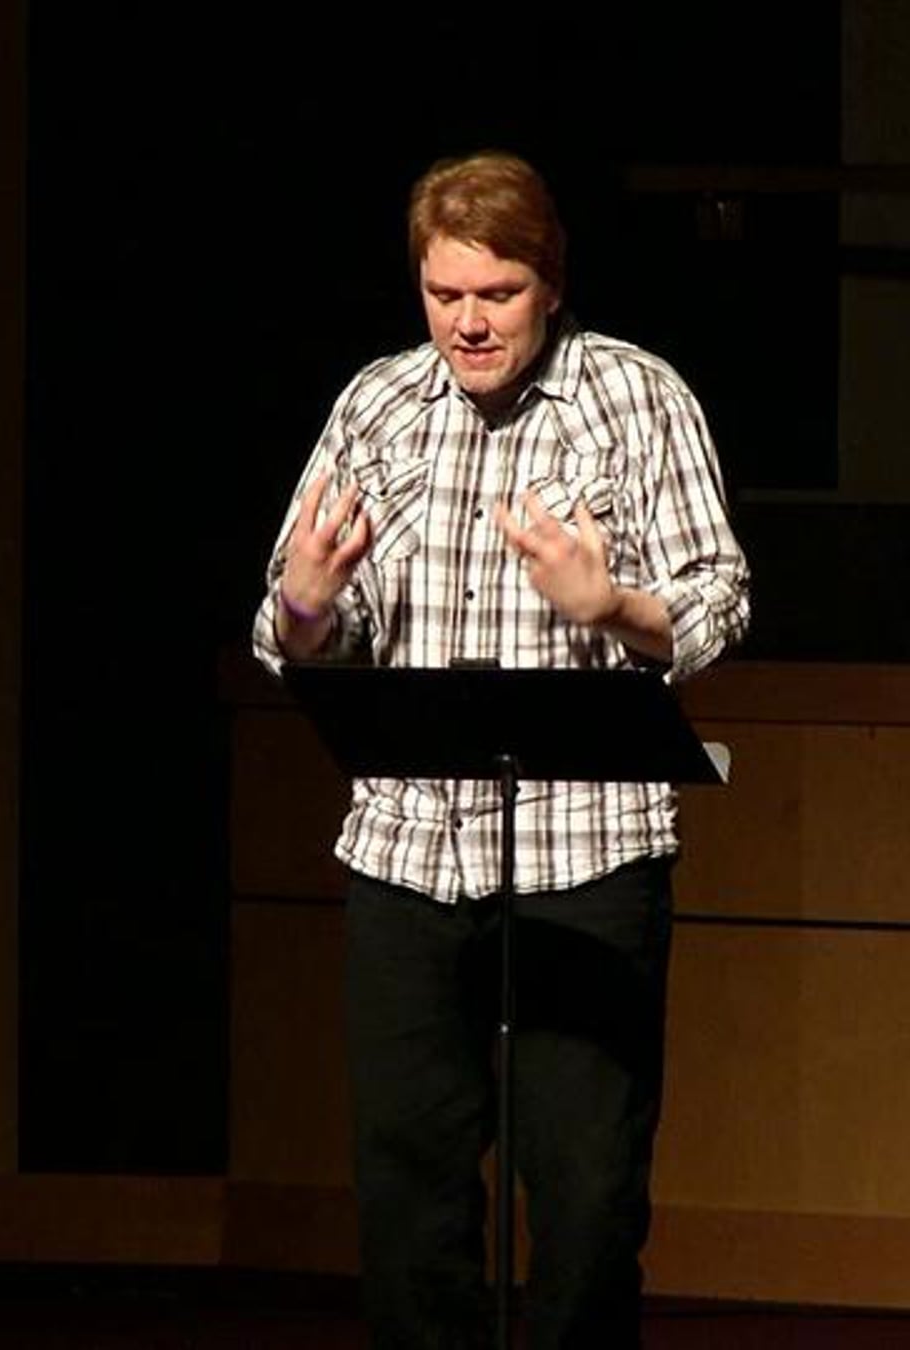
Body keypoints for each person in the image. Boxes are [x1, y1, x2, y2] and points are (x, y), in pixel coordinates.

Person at [251, 150, 751, 1348]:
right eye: (445, 295)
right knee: (408, 1203)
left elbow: (720, 597)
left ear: (551, 285)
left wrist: (612, 607)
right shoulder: (378, 404)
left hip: (586, 863)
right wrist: (306, 606)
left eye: (498, 294)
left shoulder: (637, 397)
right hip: (407, 859)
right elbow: (300, 626)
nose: (468, 324)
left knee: (585, 1203)